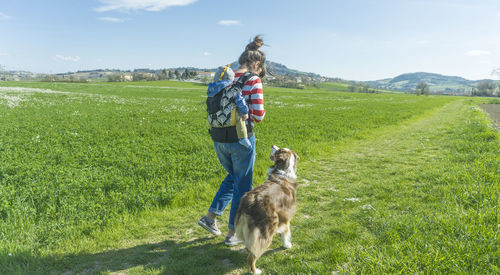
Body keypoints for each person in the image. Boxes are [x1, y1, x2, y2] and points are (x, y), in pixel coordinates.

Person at [199, 36, 267, 246]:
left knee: (234, 176)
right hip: (241, 138)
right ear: (256, 64)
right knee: (243, 186)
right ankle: (233, 233)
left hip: (219, 139)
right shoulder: (252, 80)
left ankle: (210, 217)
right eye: (260, 67)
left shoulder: (225, 79)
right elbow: (259, 114)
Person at [208, 65, 251, 148]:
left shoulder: (211, 90)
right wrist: (244, 112)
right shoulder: (233, 89)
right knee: (240, 118)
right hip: (229, 120)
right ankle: (243, 138)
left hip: (214, 120)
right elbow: (240, 101)